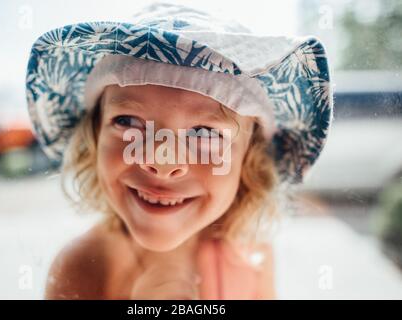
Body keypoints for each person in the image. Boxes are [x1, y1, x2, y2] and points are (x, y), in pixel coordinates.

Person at [25, 2, 333, 299]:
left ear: (248, 162)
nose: (162, 162)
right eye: (128, 122)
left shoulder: (251, 257)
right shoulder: (81, 267)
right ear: (94, 136)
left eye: (203, 133)